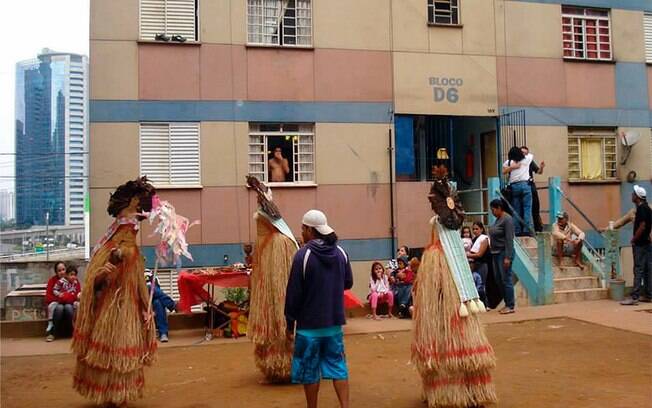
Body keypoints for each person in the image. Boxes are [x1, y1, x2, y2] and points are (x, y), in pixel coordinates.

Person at [413, 160, 496, 407]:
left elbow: (429, 297)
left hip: (444, 322)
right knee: (465, 352)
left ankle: (448, 395)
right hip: (462, 319)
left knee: (448, 356)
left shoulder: (434, 258)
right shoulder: (457, 255)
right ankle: (473, 394)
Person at [71, 177, 157, 405]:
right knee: (108, 353)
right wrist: (102, 274)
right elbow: (92, 284)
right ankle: (106, 393)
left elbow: (139, 282)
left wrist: (146, 306)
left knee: (124, 351)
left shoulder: (134, 254)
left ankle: (120, 393)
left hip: (128, 312)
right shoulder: (108, 248)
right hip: (108, 314)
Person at [285, 209, 353, 408]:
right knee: (339, 368)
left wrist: (290, 324)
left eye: (302, 229)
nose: (301, 233)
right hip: (334, 326)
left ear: (309, 230)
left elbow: (293, 295)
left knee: (310, 371)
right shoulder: (341, 253)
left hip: (308, 328)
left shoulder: (302, 256)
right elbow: (348, 282)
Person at [247, 176, 298, 383]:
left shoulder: (280, 244)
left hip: (278, 293)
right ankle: (276, 367)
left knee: (278, 320)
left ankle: (284, 366)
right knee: (273, 319)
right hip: (267, 281)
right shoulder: (275, 242)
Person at [621, 185, 652, 305]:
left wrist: (634, 239)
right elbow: (648, 226)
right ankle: (649, 295)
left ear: (638, 197)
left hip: (640, 244)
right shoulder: (648, 209)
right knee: (648, 269)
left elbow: (643, 225)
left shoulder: (641, 209)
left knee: (638, 269)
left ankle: (635, 297)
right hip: (647, 244)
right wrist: (648, 236)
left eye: (633, 194)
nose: (632, 195)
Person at [489, 199, 516, 314]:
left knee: (506, 279)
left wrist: (508, 257)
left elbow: (509, 239)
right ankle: (506, 302)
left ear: (499, 208)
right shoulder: (498, 220)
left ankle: (510, 305)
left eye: (493, 209)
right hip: (495, 253)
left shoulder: (507, 219)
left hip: (503, 252)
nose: (492, 212)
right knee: (499, 280)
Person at [503, 146, 534, 236]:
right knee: (527, 208)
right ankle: (527, 229)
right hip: (525, 185)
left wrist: (512, 167)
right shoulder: (526, 159)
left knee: (516, 209)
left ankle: (517, 230)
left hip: (514, 186)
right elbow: (530, 155)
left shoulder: (508, 162)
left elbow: (503, 171)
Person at [45, 261, 74, 342]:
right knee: (60, 308)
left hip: (70, 305)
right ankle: (53, 333)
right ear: (56, 272)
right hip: (57, 305)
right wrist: (60, 299)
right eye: (59, 270)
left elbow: (75, 294)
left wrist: (67, 298)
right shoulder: (52, 281)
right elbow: (48, 297)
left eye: (63, 269)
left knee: (68, 307)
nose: (62, 272)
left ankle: (73, 331)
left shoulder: (72, 278)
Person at [145, 270, 177, 343]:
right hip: (139, 300)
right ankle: (172, 305)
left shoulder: (150, 273)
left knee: (158, 302)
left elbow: (157, 288)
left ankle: (163, 333)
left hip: (152, 299)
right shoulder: (132, 273)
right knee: (149, 287)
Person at [521, 146, 545, 232]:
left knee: (535, 206)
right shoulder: (516, 162)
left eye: (526, 153)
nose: (524, 154)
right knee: (523, 208)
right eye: (522, 152)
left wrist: (541, 167)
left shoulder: (530, 161)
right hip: (522, 186)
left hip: (530, 185)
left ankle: (537, 227)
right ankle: (524, 228)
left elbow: (538, 171)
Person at [467, 221, 491, 306]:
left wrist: (467, 255)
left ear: (481, 229)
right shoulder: (473, 240)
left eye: (477, 229)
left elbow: (480, 254)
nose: (474, 231)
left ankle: (485, 305)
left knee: (481, 285)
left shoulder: (484, 239)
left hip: (482, 265)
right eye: (473, 229)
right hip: (474, 265)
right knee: (474, 285)